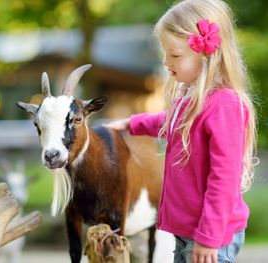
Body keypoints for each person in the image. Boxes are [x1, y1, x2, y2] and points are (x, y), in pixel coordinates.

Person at [104, 0, 258, 262]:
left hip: (210, 237)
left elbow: (224, 178)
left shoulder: (224, 105)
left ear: (207, 54)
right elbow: (170, 122)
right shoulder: (192, 101)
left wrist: (209, 238)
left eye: (175, 55)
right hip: (188, 232)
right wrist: (133, 124)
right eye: (164, 53)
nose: (166, 61)